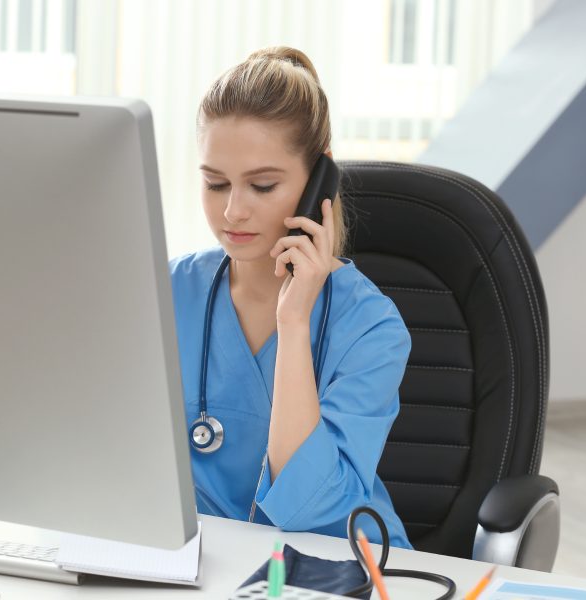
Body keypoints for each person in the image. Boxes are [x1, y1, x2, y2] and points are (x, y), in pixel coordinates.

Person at [169, 46, 412, 549]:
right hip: (199, 568)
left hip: (334, 567)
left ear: (318, 180)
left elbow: (313, 510)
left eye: (261, 185)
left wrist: (294, 319)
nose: (232, 211)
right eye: (215, 184)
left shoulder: (372, 328)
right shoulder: (167, 294)